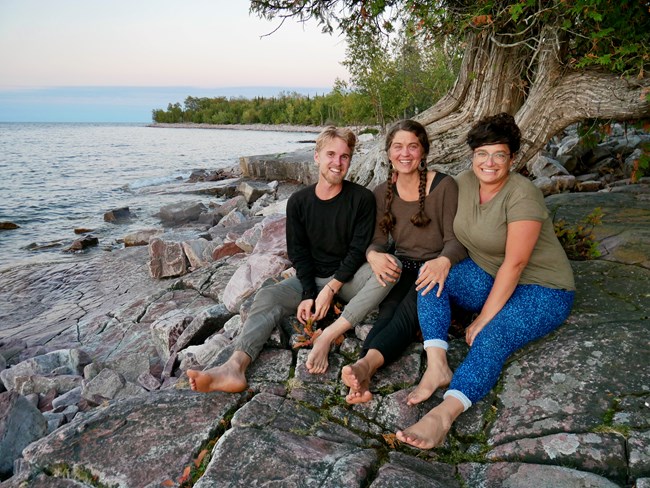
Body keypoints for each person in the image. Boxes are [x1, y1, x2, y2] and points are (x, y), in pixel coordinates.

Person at [395, 113, 576, 449]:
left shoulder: (523, 194)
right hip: (489, 277)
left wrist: (484, 317)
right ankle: (437, 366)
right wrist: (437, 259)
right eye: (482, 154)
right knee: (432, 276)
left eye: (499, 155)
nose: (489, 163)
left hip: (543, 289)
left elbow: (516, 263)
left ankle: (443, 416)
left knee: (492, 335)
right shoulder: (462, 183)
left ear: (512, 158)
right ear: (472, 155)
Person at [187, 126, 395, 393]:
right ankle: (235, 366)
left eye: (344, 156)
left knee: (392, 268)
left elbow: (357, 251)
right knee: (267, 296)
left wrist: (330, 291)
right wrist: (309, 293)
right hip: (311, 279)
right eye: (331, 154)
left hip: (349, 279)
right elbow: (299, 254)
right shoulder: (298, 202)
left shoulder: (361, 199)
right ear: (317, 156)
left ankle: (330, 334)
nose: (337, 162)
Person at [342, 119, 466, 404]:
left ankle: (366, 366)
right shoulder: (381, 192)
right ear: (388, 153)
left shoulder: (444, 186)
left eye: (413, 146)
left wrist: (444, 261)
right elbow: (376, 240)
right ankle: (361, 374)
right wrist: (373, 256)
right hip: (403, 266)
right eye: (398, 147)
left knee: (406, 316)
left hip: (435, 269)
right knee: (388, 311)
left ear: (423, 152)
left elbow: (456, 239)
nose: (405, 153)